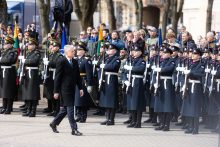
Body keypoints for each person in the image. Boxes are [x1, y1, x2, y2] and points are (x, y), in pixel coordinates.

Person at [49, 45, 83, 136]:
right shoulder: (61, 61)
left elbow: (78, 76)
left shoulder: (75, 62)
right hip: (64, 89)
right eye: (72, 51)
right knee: (70, 108)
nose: (74, 52)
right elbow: (57, 77)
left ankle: (54, 123)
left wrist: (80, 88)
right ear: (66, 52)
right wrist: (56, 91)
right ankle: (74, 129)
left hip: (72, 88)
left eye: (74, 51)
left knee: (64, 109)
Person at [182, 48, 205, 134]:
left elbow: (201, 73)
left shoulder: (201, 64)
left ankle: (196, 128)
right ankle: (190, 126)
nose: (192, 55)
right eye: (192, 54)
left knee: (195, 108)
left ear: (199, 55)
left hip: (196, 87)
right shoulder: (190, 63)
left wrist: (191, 73)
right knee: (189, 107)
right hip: (189, 85)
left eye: (195, 54)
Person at [124, 44, 146, 128]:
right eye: (134, 51)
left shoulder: (142, 61)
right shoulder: (131, 60)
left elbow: (141, 69)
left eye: (136, 51)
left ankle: (138, 122)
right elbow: (125, 72)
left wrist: (131, 68)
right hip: (130, 82)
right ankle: (133, 121)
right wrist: (125, 80)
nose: (134, 52)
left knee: (137, 103)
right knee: (131, 103)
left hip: (137, 82)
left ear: (140, 52)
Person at [99, 44, 121, 126]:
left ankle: (111, 119)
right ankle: (107, 118)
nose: (108, 50)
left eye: (110, 49)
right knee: (106, 101)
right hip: (105, 79)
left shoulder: (117, 59)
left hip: (111, 80)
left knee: (112, 101)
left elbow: (114, 67)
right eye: (107, 49)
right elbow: (99, 66)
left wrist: (105, 66)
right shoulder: (106, 58)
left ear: (115, 51)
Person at [21, 38, 41, 117]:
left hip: (33, 74)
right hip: (27, 73)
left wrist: (25, 61)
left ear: (34, 46)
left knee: (33, 93)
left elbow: (34, 61)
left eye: (30, 44)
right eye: (28, 44)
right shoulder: (28, 53)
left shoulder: (37, 53)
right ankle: (28, 109)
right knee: (28, 93)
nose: (28, 46)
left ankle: (33, 111)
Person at [74, 41, 94, 123]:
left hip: (83, 81)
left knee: (82, 100)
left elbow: (89, 74)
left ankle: (83, 116)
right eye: (77, 49)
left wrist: (90, 85)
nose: (78, 51)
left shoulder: (86, 61)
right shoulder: (75, 60)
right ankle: (78, 115)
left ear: (84, 51)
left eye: (80, 49)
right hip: (76, 81)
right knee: (76, 100)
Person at [43, 39, 63, 117]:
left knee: (55, 93)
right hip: (50, 74)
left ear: (58, 47)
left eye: (55, 46)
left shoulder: (59, 55)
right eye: (52, 46)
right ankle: (53, 109)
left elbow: (58, 64)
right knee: (51, 93)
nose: (52, 47)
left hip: (55, 74)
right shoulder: (51, 55)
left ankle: (57, 110)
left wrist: (49, 63)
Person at [0, 36, 18, 114]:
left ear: (11, 44)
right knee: (4, 90)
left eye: (7, 43)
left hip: (9, 72)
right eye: (5, 43)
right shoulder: (4, 51)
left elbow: (9, 60)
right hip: (3, 71)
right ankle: (4, 107)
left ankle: (9, 108)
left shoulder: (13, 51)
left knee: (9, 91)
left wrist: (1, 60)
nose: (5, 45)